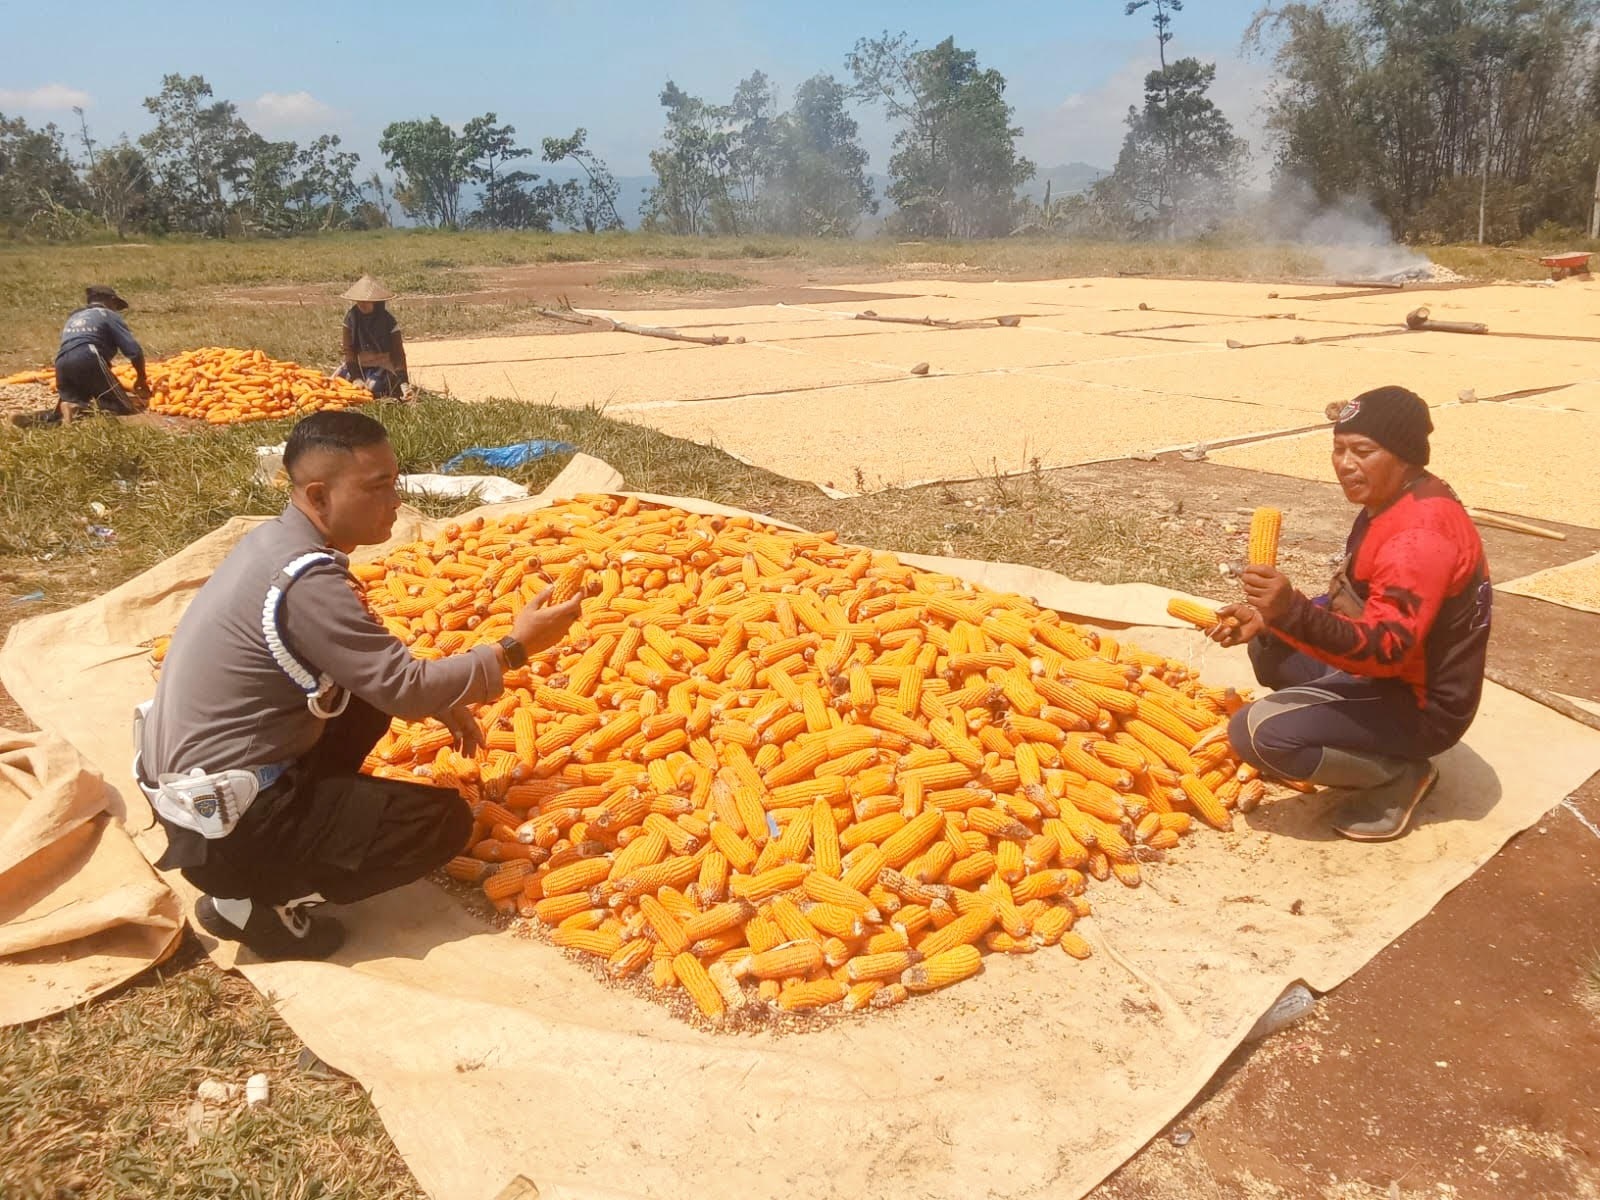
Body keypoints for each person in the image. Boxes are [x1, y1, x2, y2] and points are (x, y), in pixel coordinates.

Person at [136, 410, 582, 960]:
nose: (395, 500)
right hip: (228, 828)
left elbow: (386, 679)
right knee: (440, 825)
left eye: (395, 482)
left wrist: (434, 693)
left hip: (198, 797)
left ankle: (283, 844)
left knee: (365, 701)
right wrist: (515, 648)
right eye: (378, 487)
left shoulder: (272, 543)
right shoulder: (305, 582)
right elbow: (405, 687)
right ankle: (256, 902)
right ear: (319, 496)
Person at [1210, 386, 1492, 841]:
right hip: (1391, 674)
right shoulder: (1390, 501)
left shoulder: (1419, 537)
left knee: (1255, 733)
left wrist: (1292, 612)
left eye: (1363, 451)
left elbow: (1386, 652)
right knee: (1269, 643)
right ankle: (1342, 729)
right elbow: (1355, 602)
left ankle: (1398, 775)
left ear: (1404, 456)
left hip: (1423, 704)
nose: (1345, 464)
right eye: (1338, 449)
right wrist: (1272, 618)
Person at [47, 285, 151, 424]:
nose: (115, 309)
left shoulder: (74, 316)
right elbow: (134, 351)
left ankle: (62, 409)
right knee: (123, 407)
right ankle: (80, 408)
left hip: (61, 361)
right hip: (87, 354)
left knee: (74, 401)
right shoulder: (107, 314)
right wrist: (141, 378)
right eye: (115, 306)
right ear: (111, 300)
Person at [333, 275, 410, 399]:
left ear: (376, 303)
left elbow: (398, 353)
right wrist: (356, 378)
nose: (361, 305)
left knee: (372, 387)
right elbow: (349, 350)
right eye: (359, 301)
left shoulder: (388, 321)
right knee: (335, 382)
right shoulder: (351, 319)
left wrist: (403, 381)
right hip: (359, 364)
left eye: (366, 302)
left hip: (382, 365)